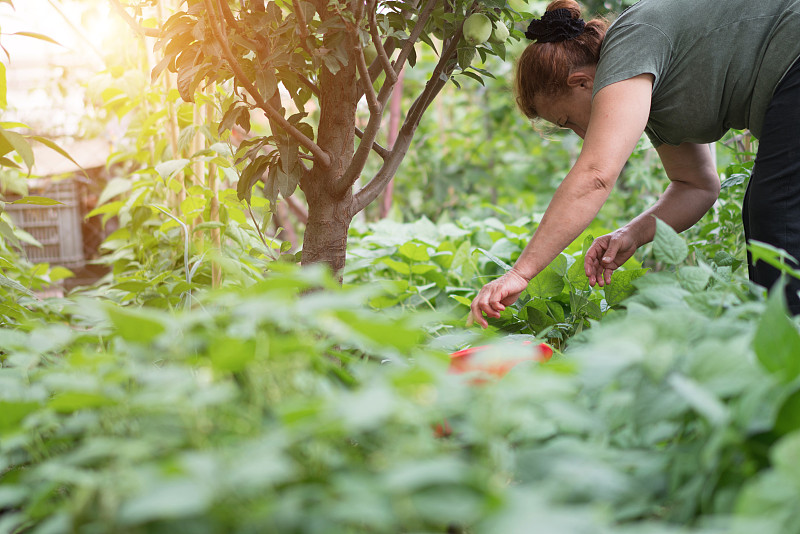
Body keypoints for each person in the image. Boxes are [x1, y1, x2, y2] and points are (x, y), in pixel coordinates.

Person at [469, 0, 800, 327]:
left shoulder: (629, 45)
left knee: (776, 208)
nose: (582, 135)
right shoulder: (651, 94)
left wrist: (519, 273)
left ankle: (785, 358)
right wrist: (632, 233)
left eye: (568, 120)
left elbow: (596, 175)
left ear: (581, 82)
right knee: (771, 210)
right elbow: (696, 186)